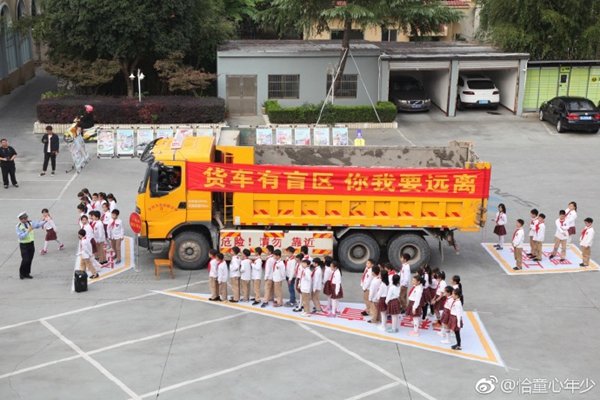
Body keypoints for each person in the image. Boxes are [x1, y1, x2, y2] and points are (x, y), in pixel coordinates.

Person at [15, 212, 45, 279]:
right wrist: (28, 231)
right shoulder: (18, 226)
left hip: (31, 243)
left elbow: (37, 225)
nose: (26, 219)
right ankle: (22, 273)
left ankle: (27, 273)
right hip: (24, 245)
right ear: (21, 219)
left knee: (30, 259)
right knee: (25, 259)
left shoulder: (29, 223)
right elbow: (21, 237)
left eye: (26, 218)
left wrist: (45, 221)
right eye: (24, 219)